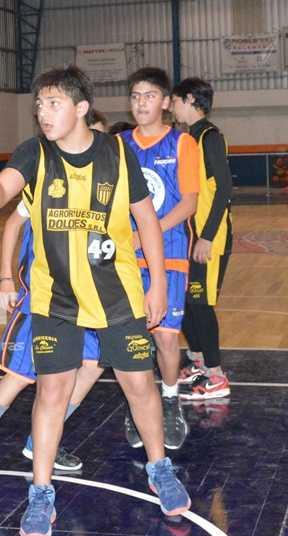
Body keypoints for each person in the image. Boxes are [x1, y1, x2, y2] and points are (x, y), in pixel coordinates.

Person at [0, 65, 190, 536]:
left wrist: (156, 285)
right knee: (51, 393)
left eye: (53, 104)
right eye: (39, 105)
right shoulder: (33, 153)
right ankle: (40, 492)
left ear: (81, 108)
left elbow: (147, 221)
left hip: (118, 296)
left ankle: (160, 469)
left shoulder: (118, 152)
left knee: (139, 385)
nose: (43, 113)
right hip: (56, 300)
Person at [0, 188, 102, 482]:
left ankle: (41, 439)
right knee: (19, 376)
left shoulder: (101, 183)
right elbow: (12, 224)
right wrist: (6, 278)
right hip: (42, 299)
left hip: (86, 300)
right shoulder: (46, 183)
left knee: (93, 366)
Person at [120, 67, 199, 450]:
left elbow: (189, 203)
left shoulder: (183, 144)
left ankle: (169, 401)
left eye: (149, 96)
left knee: (166, 339)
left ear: (166, 102)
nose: (141, 103)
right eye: (135, 96)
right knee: (133, 339)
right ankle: (139, 403)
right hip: (126, 256)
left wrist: (149, 232)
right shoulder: (118, 145)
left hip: (169, 252)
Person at [171, 78, 233, 400]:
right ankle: (197, 361)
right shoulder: (187, 138)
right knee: (185, 303)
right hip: (189, 236)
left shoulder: (210, 136)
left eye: (175, 101)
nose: (171, 107)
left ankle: (216, 376)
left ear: (190, 99)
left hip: (209, 237)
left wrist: (206, 237)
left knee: (201, 304)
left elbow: (223, 190)